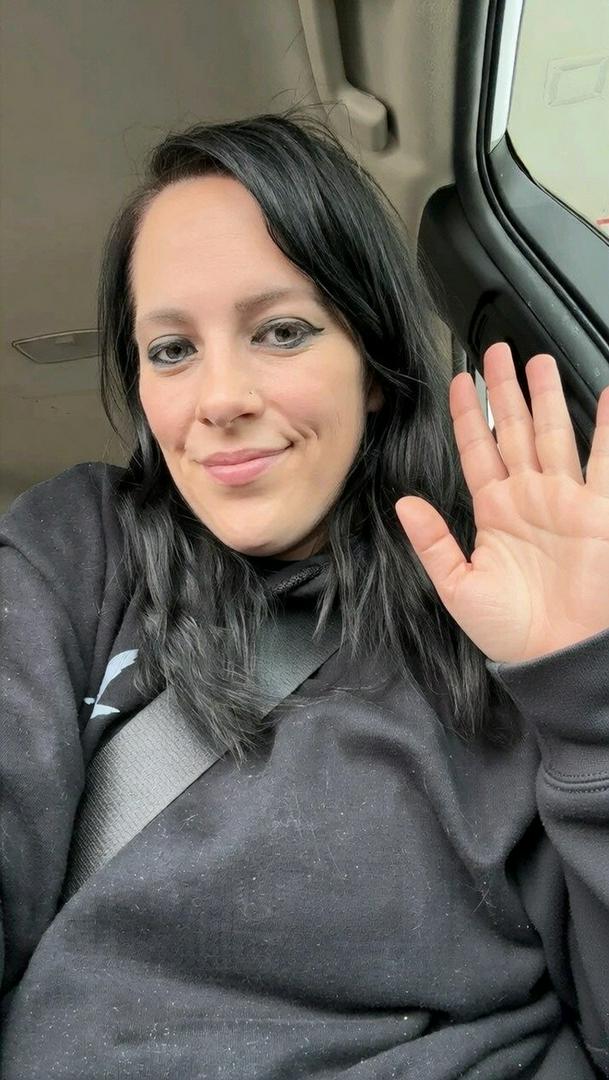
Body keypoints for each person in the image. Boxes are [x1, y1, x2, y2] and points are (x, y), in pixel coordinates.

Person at [1, 109, 608, 1079]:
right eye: (171, 349)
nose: (219, 399)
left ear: (371, 364)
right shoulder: (79, 549)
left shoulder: (516, 603)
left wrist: (585, 696)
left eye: (281, 332)